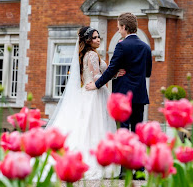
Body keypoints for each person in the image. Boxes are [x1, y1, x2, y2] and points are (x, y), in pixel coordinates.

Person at [46, 26, 121, 180]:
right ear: (87, 40)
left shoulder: (87, 54)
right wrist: (109, 76)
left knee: (87, 126)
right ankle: (94, 161)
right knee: (96, 126)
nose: (98, 39)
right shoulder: (92, 55)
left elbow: (103, 74)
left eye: (98, 36)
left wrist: (114, 73)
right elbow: (96, 77)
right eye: (94, 37)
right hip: (94, 93)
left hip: (88, 93)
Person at [86, 12, 152, 179]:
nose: (119, 31)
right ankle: (140, 170)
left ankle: (125, 170)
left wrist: (97, 84)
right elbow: (148, 72)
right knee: (138, 131)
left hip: (123, 96)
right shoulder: (146, 47)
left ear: (124, 27)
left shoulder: (121, 46)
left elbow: (111, 69)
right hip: (139, 95)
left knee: (123, 130)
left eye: (119, 28)